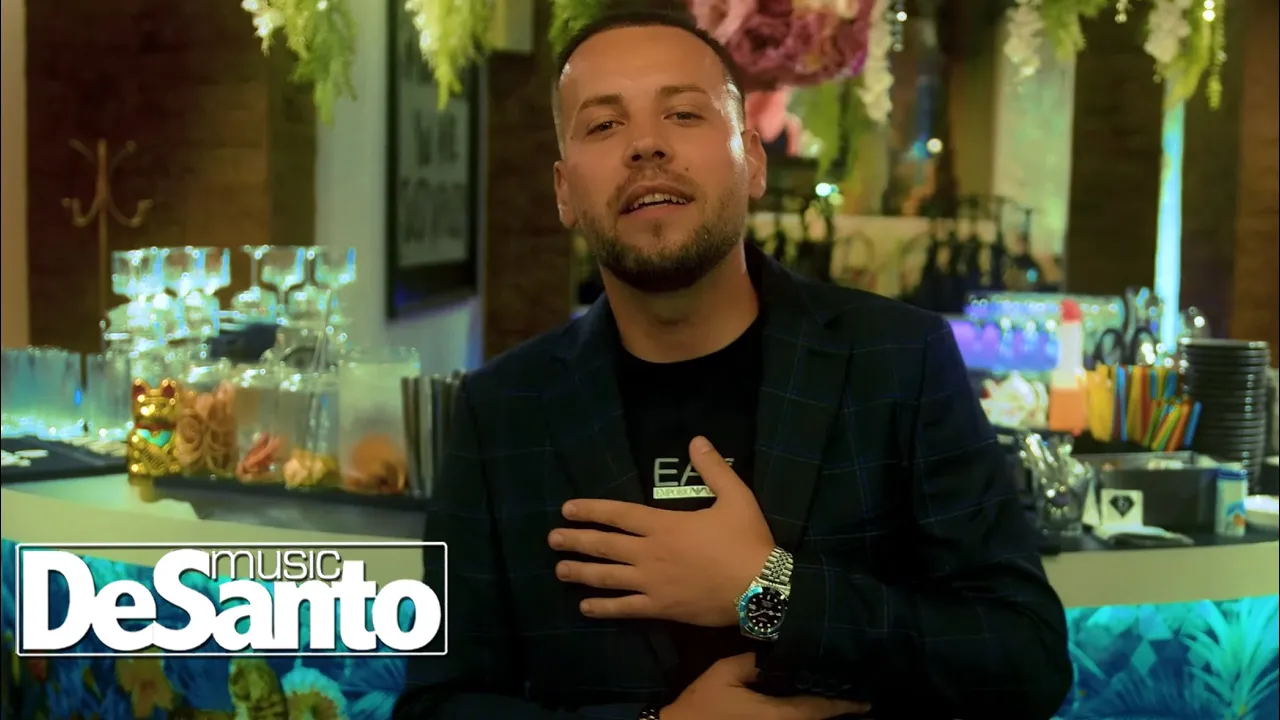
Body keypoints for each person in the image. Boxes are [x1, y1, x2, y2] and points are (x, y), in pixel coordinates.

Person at [395, 9, 1072, 720]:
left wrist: (768, 590)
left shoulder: (899, 361)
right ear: (565, 191)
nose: (646, 144)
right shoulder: (501, 410)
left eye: (683, 114)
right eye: (604, 124)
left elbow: (1024, 661)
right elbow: (438, 706)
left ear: (753, 160)